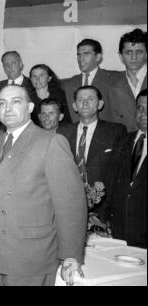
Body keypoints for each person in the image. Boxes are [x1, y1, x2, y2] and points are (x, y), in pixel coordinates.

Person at [0, 84, 87, 286]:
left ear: (30, 108)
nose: (8, 108)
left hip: (30, 257)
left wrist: (70, 256)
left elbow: (70, 204)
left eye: (16, 102)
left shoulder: (50, 142)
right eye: (2, 103)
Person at [103, 89, 147, 248]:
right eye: (140, 108)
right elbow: (112, 179)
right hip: (119, 231)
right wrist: (103, 215)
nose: (143, 114)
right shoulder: (123, 140)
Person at [58, 86, 126, 185]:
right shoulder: (62, 132)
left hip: (103, 194)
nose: (85, 103)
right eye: (80, 99)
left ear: (100, 104)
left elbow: (121, 170)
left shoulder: (115, 131)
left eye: (90, 99)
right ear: (75, 106)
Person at [62, 39, 120, 123]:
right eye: (79, 55)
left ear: (98, 57)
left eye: (86, 54)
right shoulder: (70, 83)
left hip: (106, 132)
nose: (81, 59)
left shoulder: (113, 79)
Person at [108, 29, 147, 132]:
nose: (134, 57)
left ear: (146, 55)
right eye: (129, 52)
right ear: (121, 56)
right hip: (125, 145)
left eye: (139, 52)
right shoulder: (111, 85)